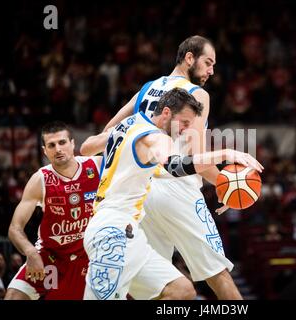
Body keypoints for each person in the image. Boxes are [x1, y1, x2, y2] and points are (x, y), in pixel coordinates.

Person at [92, 35, 243, 300]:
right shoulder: (198, 95)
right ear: (189, 58)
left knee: (155, 289)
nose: (211, 71)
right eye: (208, 62)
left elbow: (109, 132)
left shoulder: (147, 88)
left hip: (144, 193)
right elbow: (197, 156)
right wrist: (226, 184)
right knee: (217, 273)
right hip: (178, 186)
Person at [81, 88, 263, 300]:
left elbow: (86, 148)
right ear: (166, 113)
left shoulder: (128, 124)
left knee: (181, 291)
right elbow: (175, 167)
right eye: (184, 123)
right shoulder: (156, 137)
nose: (186, 130)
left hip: (129, 231)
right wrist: (226, 154)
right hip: (113, 231)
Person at [5, 121, 102, 300]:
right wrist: (31, 253)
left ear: (73, 144)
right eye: (51, 145)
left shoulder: (96, 166)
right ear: (45, 151)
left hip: (89, 256)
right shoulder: (40, 179)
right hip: (51, 258)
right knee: (13, 296)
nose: (58, 149)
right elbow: (14, 228)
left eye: (62, 142)